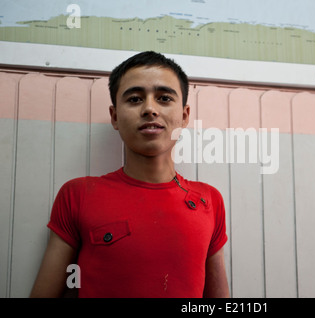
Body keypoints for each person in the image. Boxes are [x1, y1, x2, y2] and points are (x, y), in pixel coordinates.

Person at [30, 51, 229, 298]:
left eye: (164, 98)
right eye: (134, 99)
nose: (149, 109)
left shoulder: (209, 200)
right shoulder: (78, 195)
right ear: (115, 117)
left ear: (184, 115)